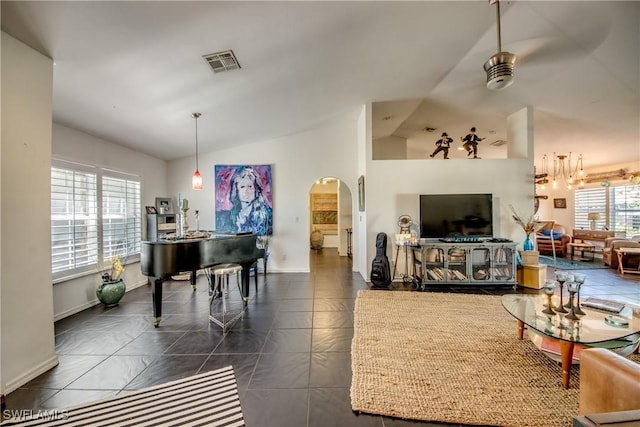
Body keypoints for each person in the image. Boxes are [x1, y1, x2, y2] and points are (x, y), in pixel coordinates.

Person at [218, 166, 273, 235]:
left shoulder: (266, 214)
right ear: (236, 190)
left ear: (256, 189)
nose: (246, 191)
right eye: (242, 187)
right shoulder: (228, 217)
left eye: (250, 186)